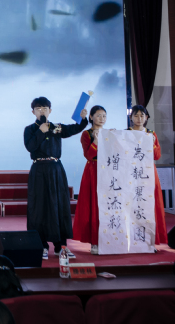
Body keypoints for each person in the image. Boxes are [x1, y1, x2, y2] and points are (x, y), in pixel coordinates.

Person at [23, 96, 89, 260]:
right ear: (33, 112)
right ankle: (42, 246)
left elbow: (74, 129)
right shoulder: (29, 129)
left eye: (45, 108)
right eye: (38, 108)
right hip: (38, 170)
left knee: (59, 205)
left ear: (50, 111)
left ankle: (61, 246)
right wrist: (41, 131)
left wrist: (83, 119)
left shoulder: (57, 128)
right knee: (39, 207)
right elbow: (30, 147)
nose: (42, 111)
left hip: (56, 169)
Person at [128, 104, 168, 245]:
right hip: (131, 173)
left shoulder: (151, 134)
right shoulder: (126, 133)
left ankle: (150, 240)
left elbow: (157, 156)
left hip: (148, 173)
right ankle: (131, 239)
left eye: (142, 116)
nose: (139, 119)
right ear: (131, 117)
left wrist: (153, 144)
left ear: (146, 117)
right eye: (136, 115)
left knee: (149, 204)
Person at [73, 105, 104, 255]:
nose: (102, 119)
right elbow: (89, 155)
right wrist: (96, 142)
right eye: (98, 115)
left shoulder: (109, 133)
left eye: (104, 116)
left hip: (108, 171)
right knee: (94, 206)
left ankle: (109, 240)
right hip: (93, 171)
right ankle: (94, 241)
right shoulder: (87, 134)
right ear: (91, 117)